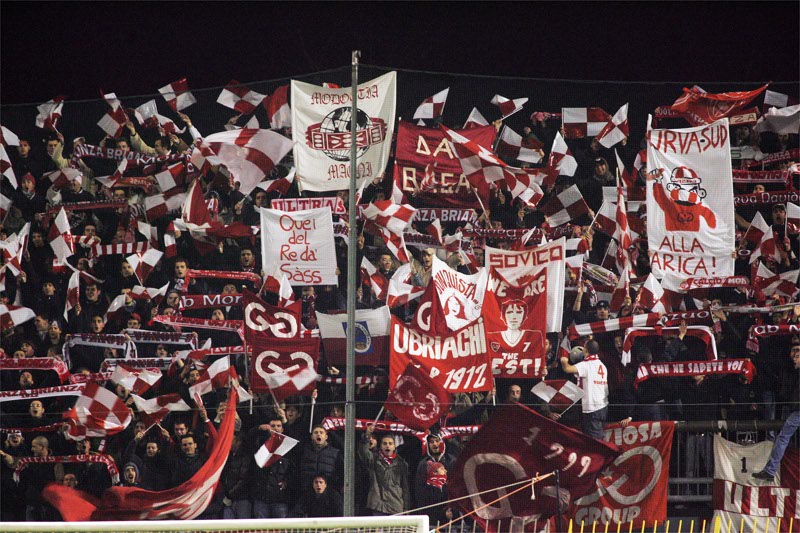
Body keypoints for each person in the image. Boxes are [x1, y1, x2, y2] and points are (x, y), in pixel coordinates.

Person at [752, 346, 800, 482]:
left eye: (797, 357)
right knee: (783, 437)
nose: (794, 360)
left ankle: (770, 470)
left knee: (783, 438)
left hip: (798, 412)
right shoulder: (793, 372)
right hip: (796, 411)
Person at [560, 339, 609, 440]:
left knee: (594, 442)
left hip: (592, 408)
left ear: (586, 350)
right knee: (597, 436)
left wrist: (563, 359)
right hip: (603, 406)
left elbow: (567, 368)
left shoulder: (587, 365)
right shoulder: (602, 365)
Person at [359, 425, 411, 515]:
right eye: (385, 443)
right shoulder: (374, 459)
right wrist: (367, 436)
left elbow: (405, 487)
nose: (387, 446)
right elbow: (363, 452)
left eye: (390, 444)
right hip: (378, 506)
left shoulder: (402, 464)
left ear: (394, 446)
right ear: (381, 446)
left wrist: (406, 507)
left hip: (396, 505)